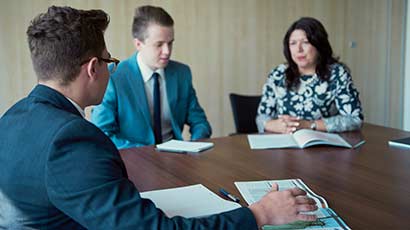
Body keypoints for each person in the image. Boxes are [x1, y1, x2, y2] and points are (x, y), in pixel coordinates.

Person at [0, 5, 318, 229]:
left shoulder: (11, 118)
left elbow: (198, 119)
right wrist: (258, 215)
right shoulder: (74, 140)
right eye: (108, 63)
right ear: (93, 68)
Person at [91, 5, 211, 149]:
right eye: (159, 44)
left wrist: (193, 147)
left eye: (170, 43)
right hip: (135, 160)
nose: (167, 51)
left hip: (176, 158)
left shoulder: (182, 73)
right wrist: (149, 154)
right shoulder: (114, 76)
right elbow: (102, 133)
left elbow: (200, 123)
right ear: (138, 44)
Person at [256, 17, 363, 134]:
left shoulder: (337, 73)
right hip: (285, 144)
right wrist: (274, 125)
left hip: (323, 146)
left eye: (306, 42)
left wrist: (309, 125)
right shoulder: (278, 74)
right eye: (293, 43)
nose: (299, 49)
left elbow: (354, 119)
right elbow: (262, 117)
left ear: (319, 45)